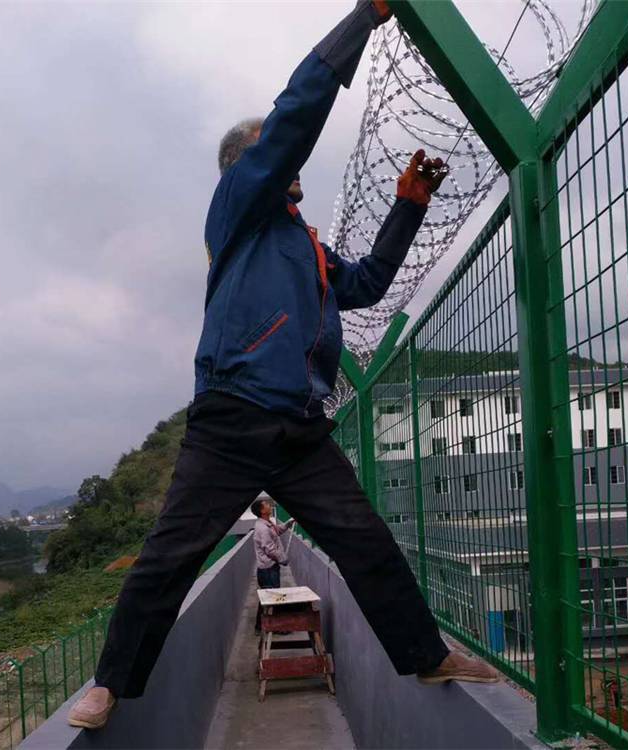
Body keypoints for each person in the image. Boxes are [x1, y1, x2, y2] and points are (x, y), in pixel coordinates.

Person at [68, 0, 497, 730]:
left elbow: (367, 284)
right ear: (248, 165)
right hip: (231, 416)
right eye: (272, 152)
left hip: (300, 426)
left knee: (365, 541)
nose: (289, 161)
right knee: (170, 557)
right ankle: (110, 684)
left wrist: (409, 207)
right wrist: (360, 22)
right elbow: (294, 117)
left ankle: (427, 654)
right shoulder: (237, 209)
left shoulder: (307, 248)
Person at [250, 496, 293, 634]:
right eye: (266, 504)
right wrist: (282, 559)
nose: (269, 505)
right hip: (268, 569)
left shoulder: (268, 523)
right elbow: (269, 549)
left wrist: (289, 522)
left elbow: (277, 530)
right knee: (274, 597)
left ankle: (260, 627)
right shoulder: (263, 528)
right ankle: (276, 627)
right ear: (262, 511)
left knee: (268, 597)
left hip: (268, 568)